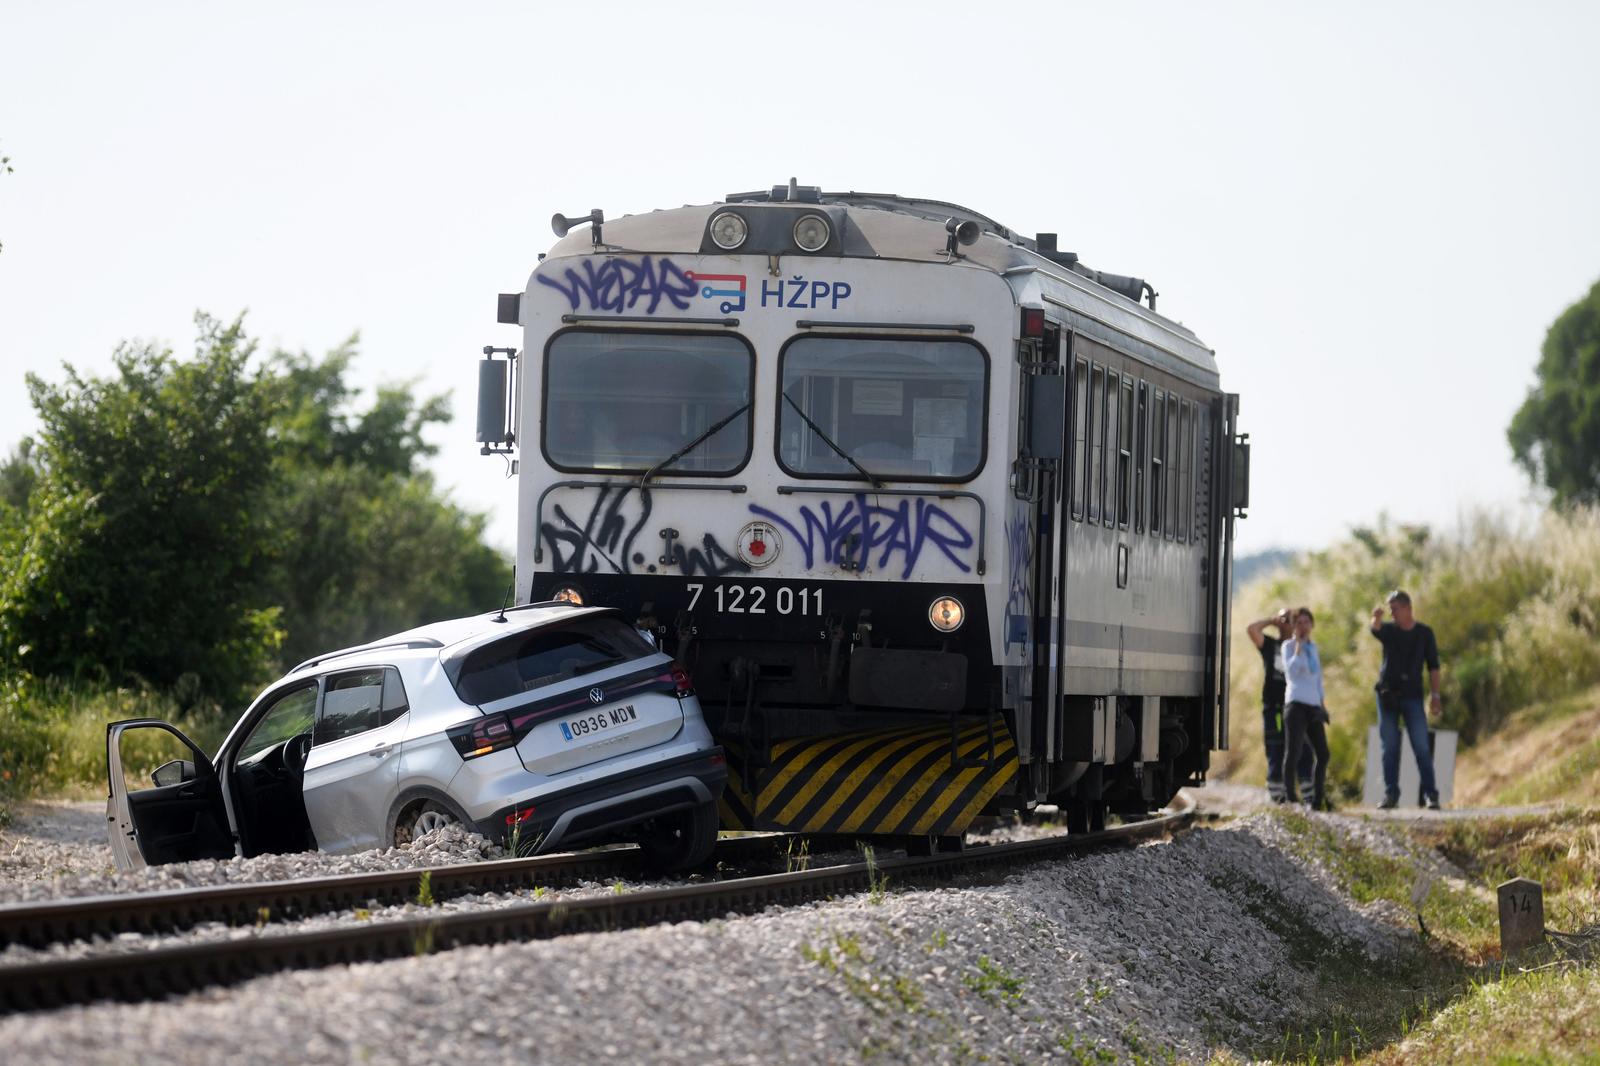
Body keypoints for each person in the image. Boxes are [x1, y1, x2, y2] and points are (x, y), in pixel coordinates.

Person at [1370, 589, 1443, 810]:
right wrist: (1376, 617)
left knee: (1421, 746)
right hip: (1388, 697)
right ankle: (1391, 794)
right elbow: (1375, 630)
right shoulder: (1389, 631)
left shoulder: (1424, 633)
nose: (1392, 614)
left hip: (1413, 697)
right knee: (1389, 747)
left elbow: (1434, 667)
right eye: (1390, 610)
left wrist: (1435, 695)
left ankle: (1431, 795)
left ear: (1408, 608)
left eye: (1395, 609)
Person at [1247, 608, 1315, 803]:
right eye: (1283, 619)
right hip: (1274, 706)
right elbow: (1251, 629)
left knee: (1303, 746)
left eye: (1289, 620)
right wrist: (1271, 620)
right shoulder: (1270, 645)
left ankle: (1308, 791)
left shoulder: (1299, 646)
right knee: (1275, 746)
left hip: (1297, 706)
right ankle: (1278, 793)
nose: (1286, 622)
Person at [1281, 607, 1330, 810]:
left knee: (1323, 753)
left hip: (1313, 705)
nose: (1303, 626)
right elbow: (1292, 671)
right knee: (1294, 750)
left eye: (1306, 622)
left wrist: (1322, 705)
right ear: (1294, 626)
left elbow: (1317, 679)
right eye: (1299, 623)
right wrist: (1298, 648)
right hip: (1296, 704)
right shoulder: (1288, 646)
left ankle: (1318, 799)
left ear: (1311, 625)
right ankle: (1290, 797)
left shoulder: (1314, 648)